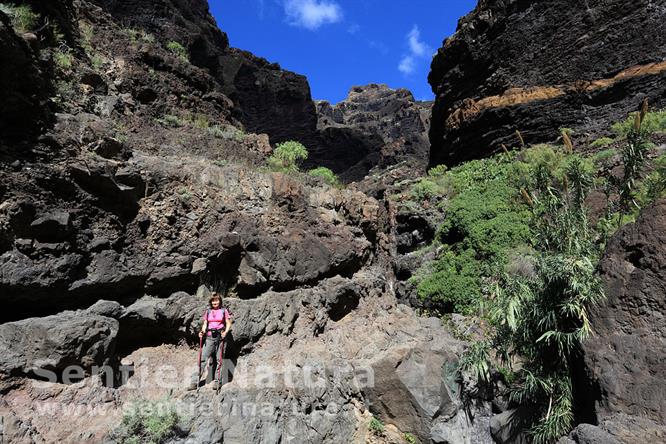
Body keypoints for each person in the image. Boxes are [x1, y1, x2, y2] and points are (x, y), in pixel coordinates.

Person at [189, 292, 232, 390]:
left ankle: (217, 382)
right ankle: (195, 382)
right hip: (209, 337)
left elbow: (228, 323)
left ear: (219, 301)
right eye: (213, 301)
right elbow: (205, 323)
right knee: (202, 358)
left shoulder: (224, 311)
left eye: (216, 300)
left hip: (220, 337)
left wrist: (225, 332)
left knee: (219, 360)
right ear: (211, 302)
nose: (215, 302)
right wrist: (202, 331)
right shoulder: (208, 311)